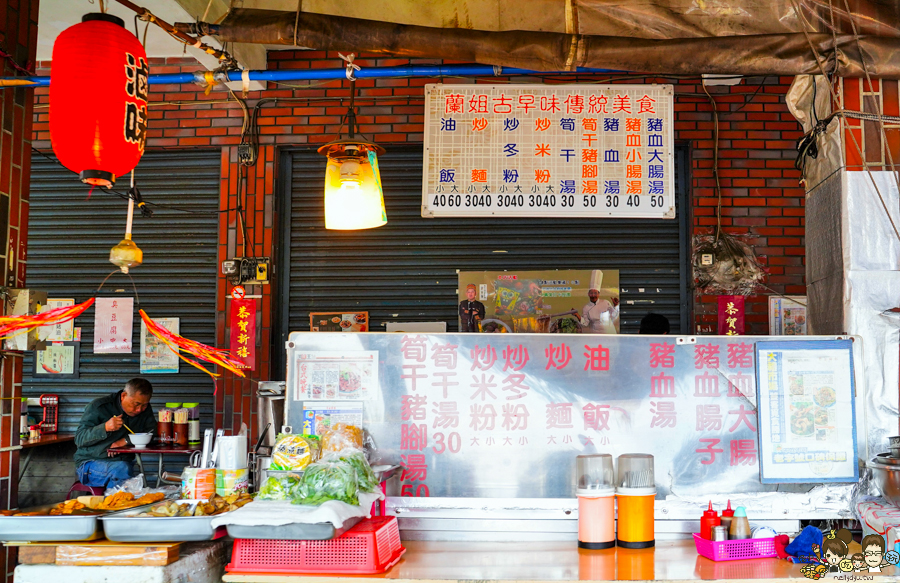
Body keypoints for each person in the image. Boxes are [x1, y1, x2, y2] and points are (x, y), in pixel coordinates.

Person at [74, 378, 155, 488]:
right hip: (90, 464)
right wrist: (105, 427)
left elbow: (151, 431)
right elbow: (79, 438)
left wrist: (125, 440)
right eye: (136, 404)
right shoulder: (99, 407)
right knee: (121, 470)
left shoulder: (145, 410)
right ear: (123, 396)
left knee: (127, 473)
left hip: (124, 463)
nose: (139, 410)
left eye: (144, 405)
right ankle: (113, 504)